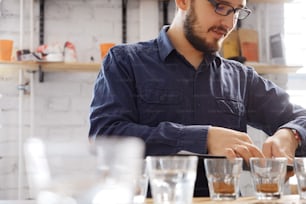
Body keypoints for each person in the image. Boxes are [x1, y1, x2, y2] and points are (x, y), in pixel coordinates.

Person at [89, 0, 306, 196]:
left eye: (237, 11)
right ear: (183, 2)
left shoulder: (241, 77)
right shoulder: (124, 61)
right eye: (220, 6)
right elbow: (104, 136)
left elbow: (301, 117)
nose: (229, 23)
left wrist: (291, 134)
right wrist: (204, 138)